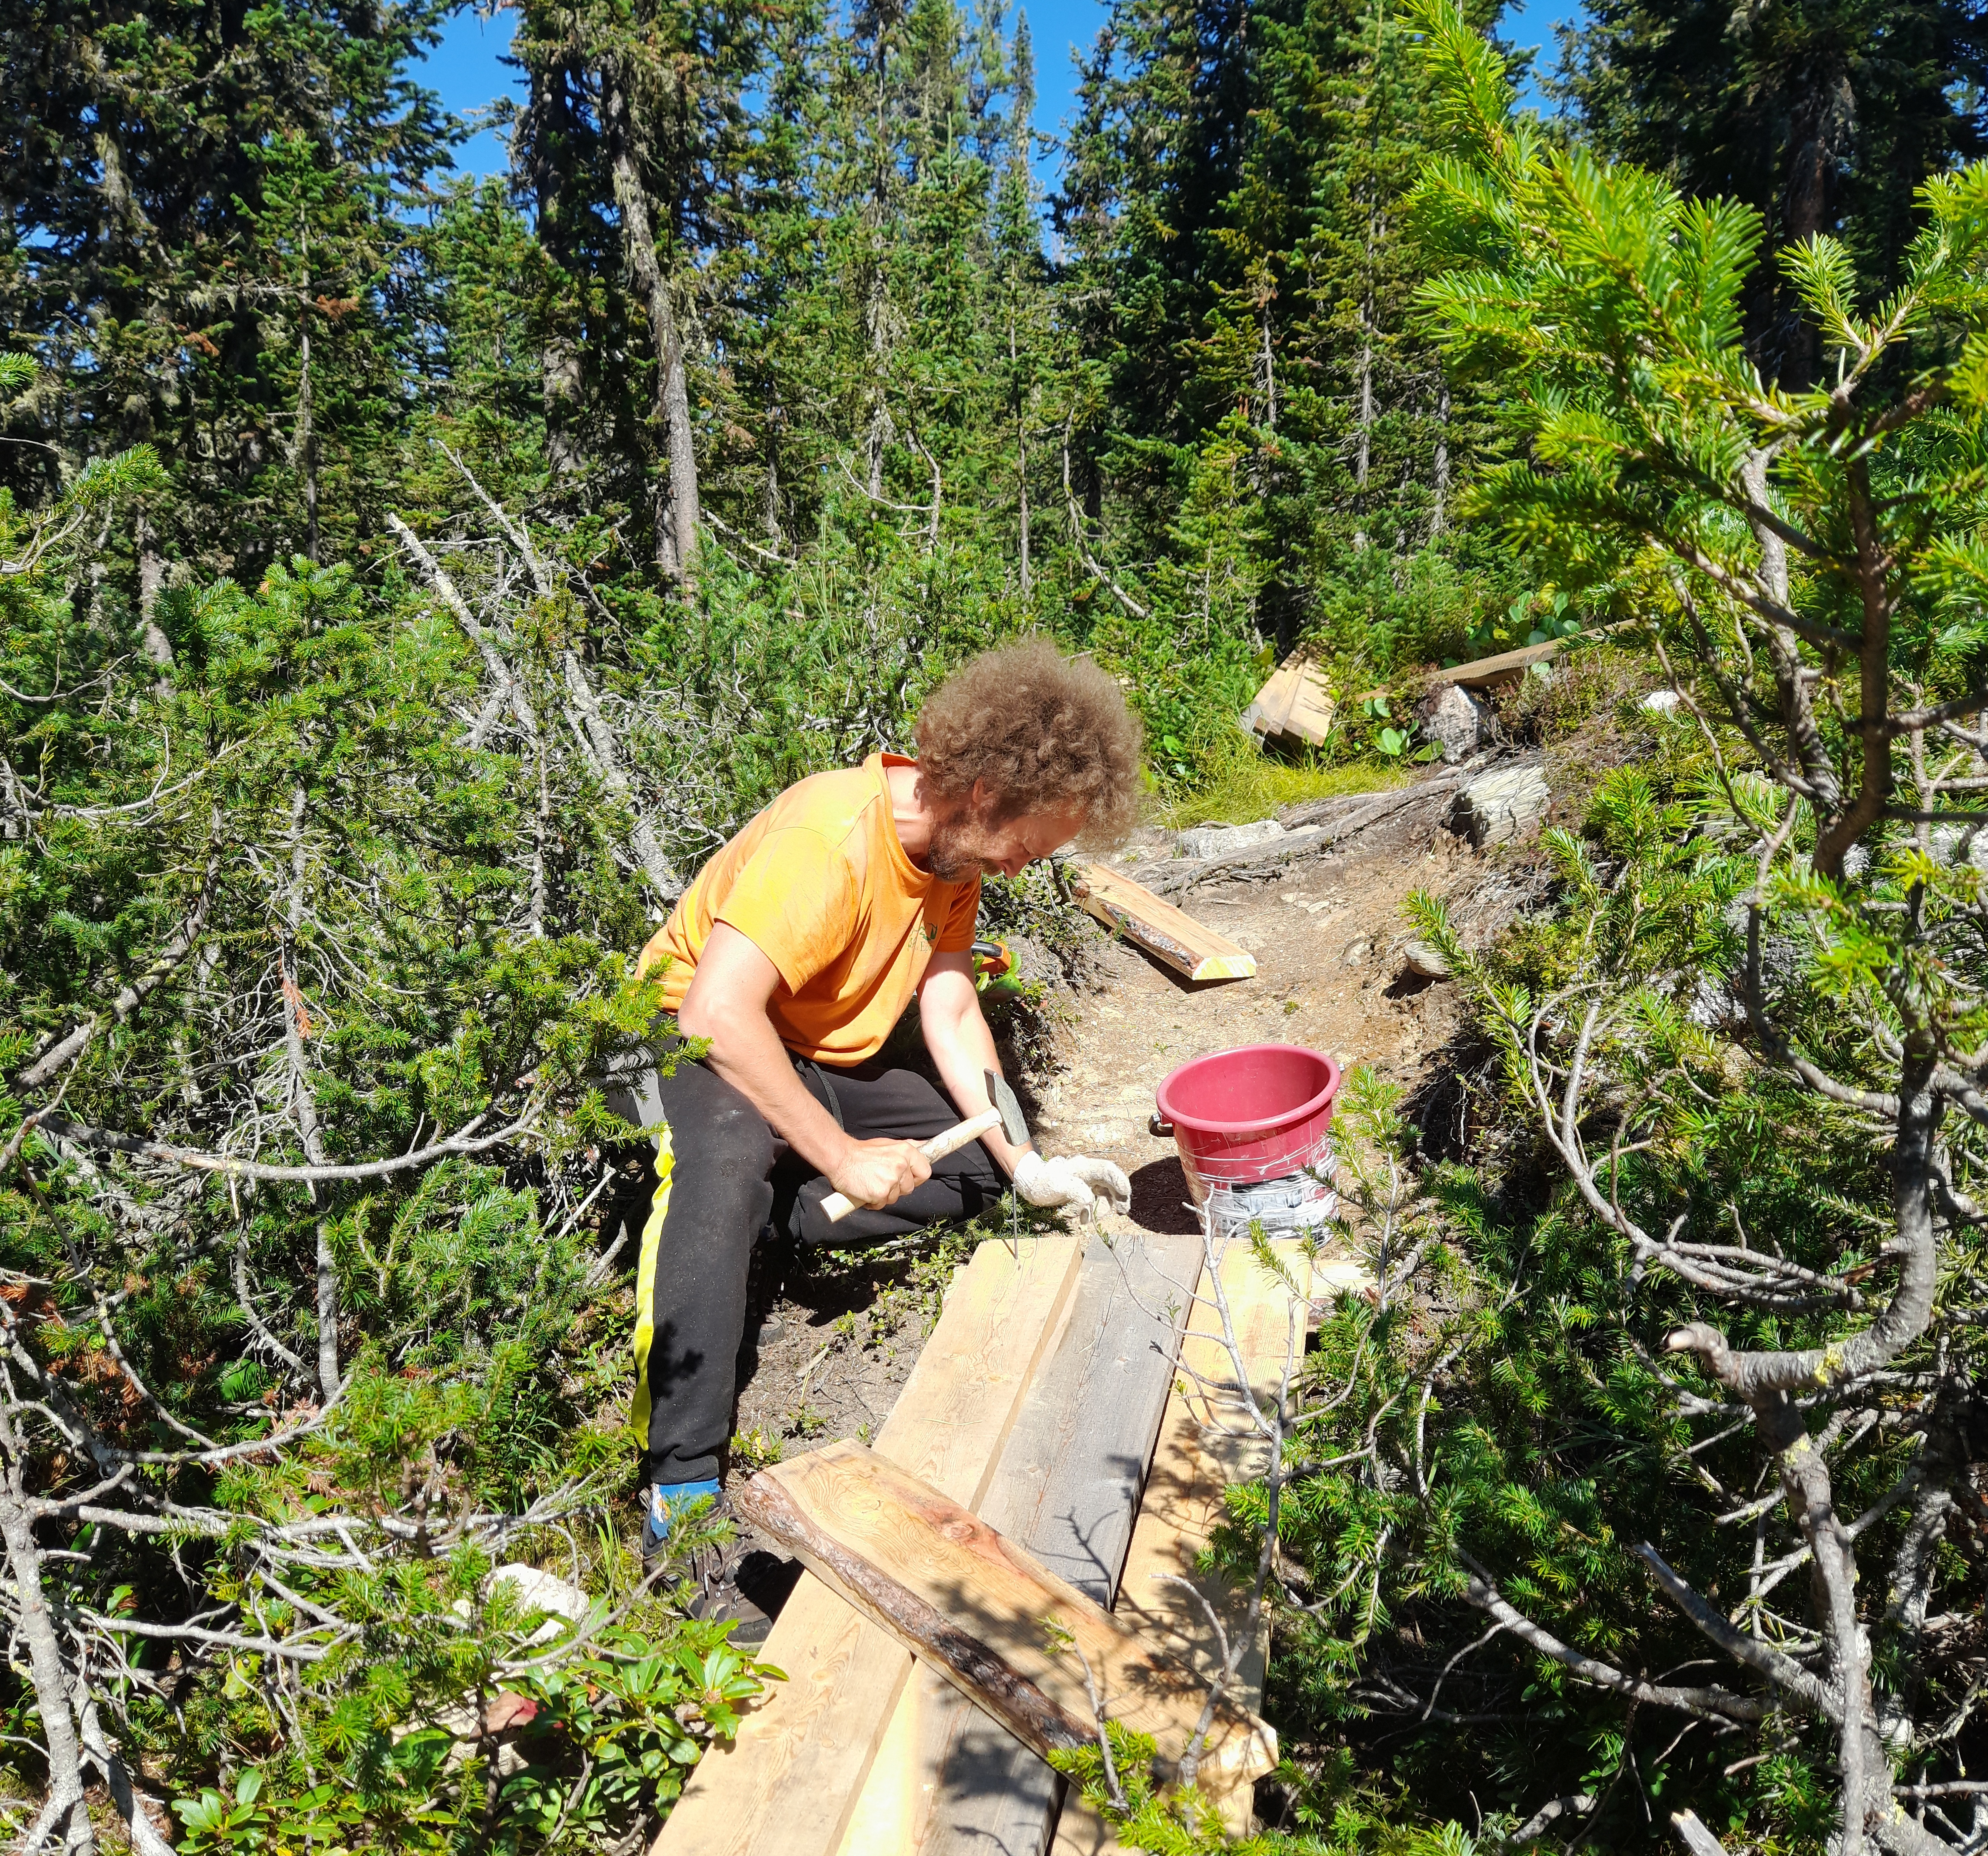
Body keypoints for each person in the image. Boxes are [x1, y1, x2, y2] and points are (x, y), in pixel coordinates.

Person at [611, 640, 1143, 1588]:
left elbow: (947, 1003)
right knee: (725, 1160)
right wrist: (843, 1155)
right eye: (1035, 842)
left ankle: (768, 1221)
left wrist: (1024, 1163)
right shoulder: (832, 837)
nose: (1028, 866)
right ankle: (679, 1493)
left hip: (805, 1051)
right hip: (679, 1035)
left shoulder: (955, 854)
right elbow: (715, 1014)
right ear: (984, 789)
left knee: (977, 1162)